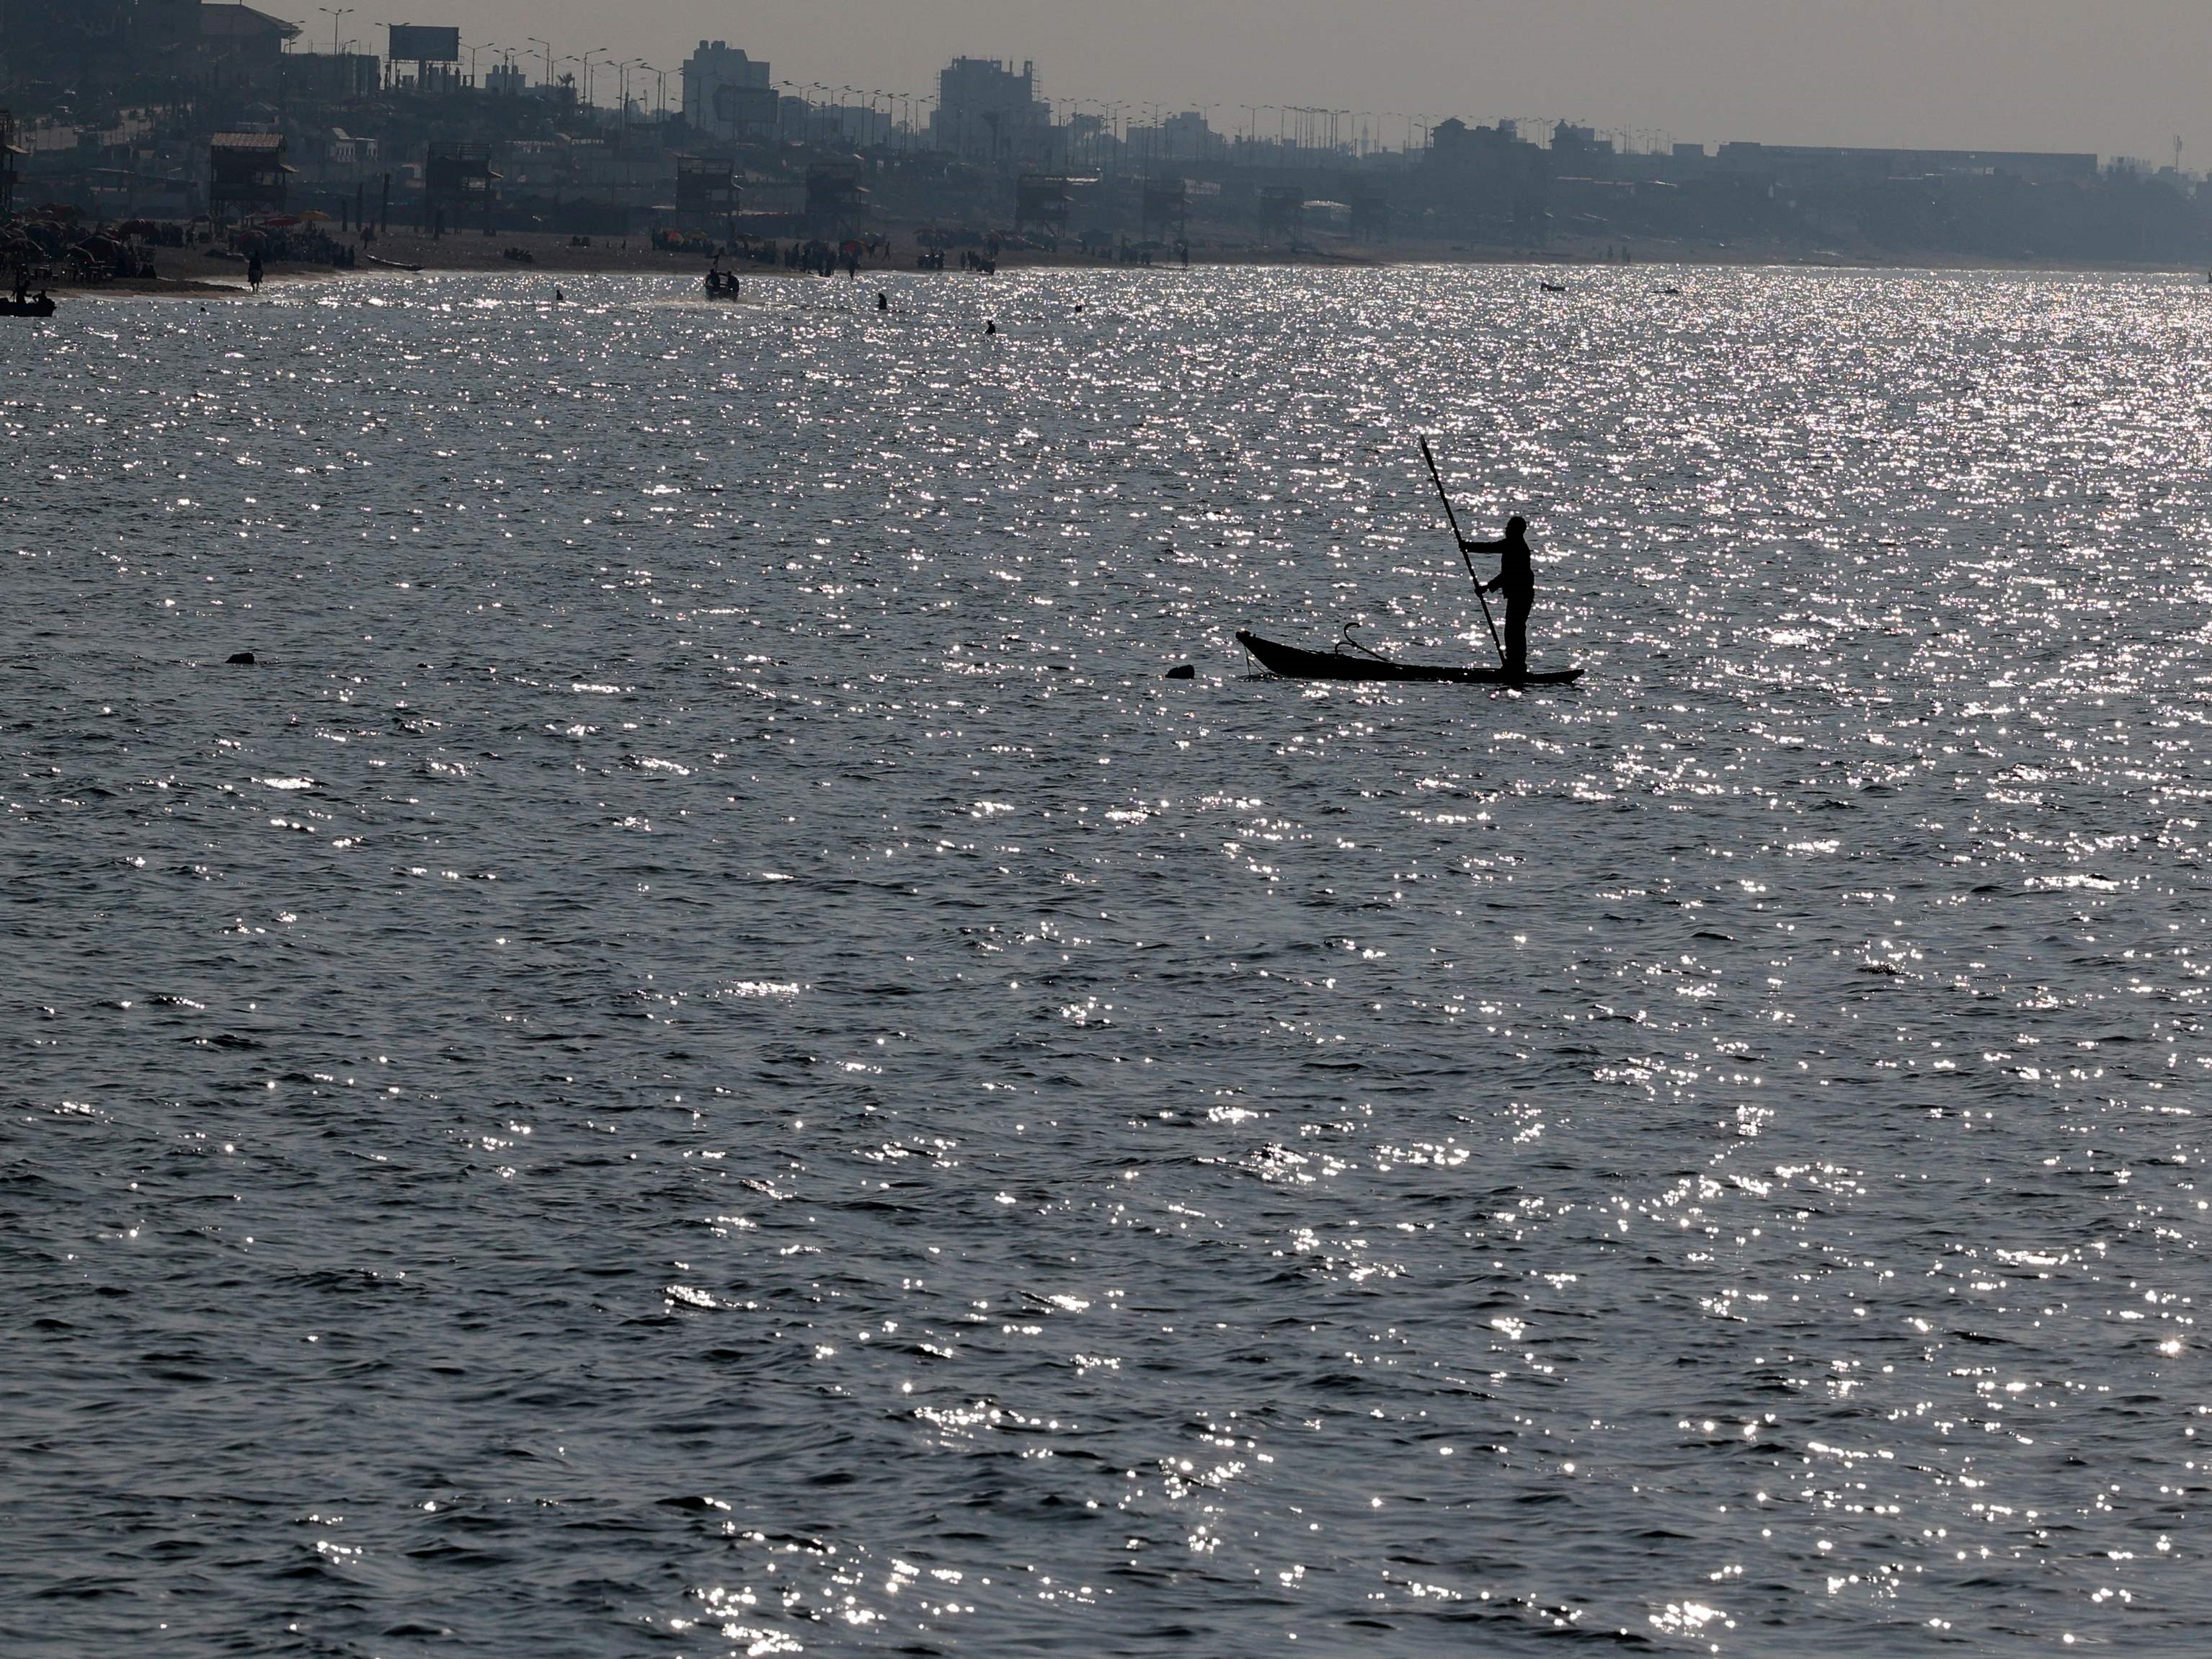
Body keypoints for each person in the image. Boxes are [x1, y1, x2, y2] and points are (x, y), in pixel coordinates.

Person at [1462, 515, 1535, 675]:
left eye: (1509, 527)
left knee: (1514, 630)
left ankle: (1517, 667)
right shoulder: (1511, 543)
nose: (1506, 529)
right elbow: (1490, 547)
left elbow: (1509, 574)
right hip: (1518, 594)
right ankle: (1514, 666)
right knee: (1512, 629)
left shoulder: (1517, 547)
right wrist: (1467, 546)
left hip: (1522, 594)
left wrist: (1488, 587)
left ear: (1516, 531)